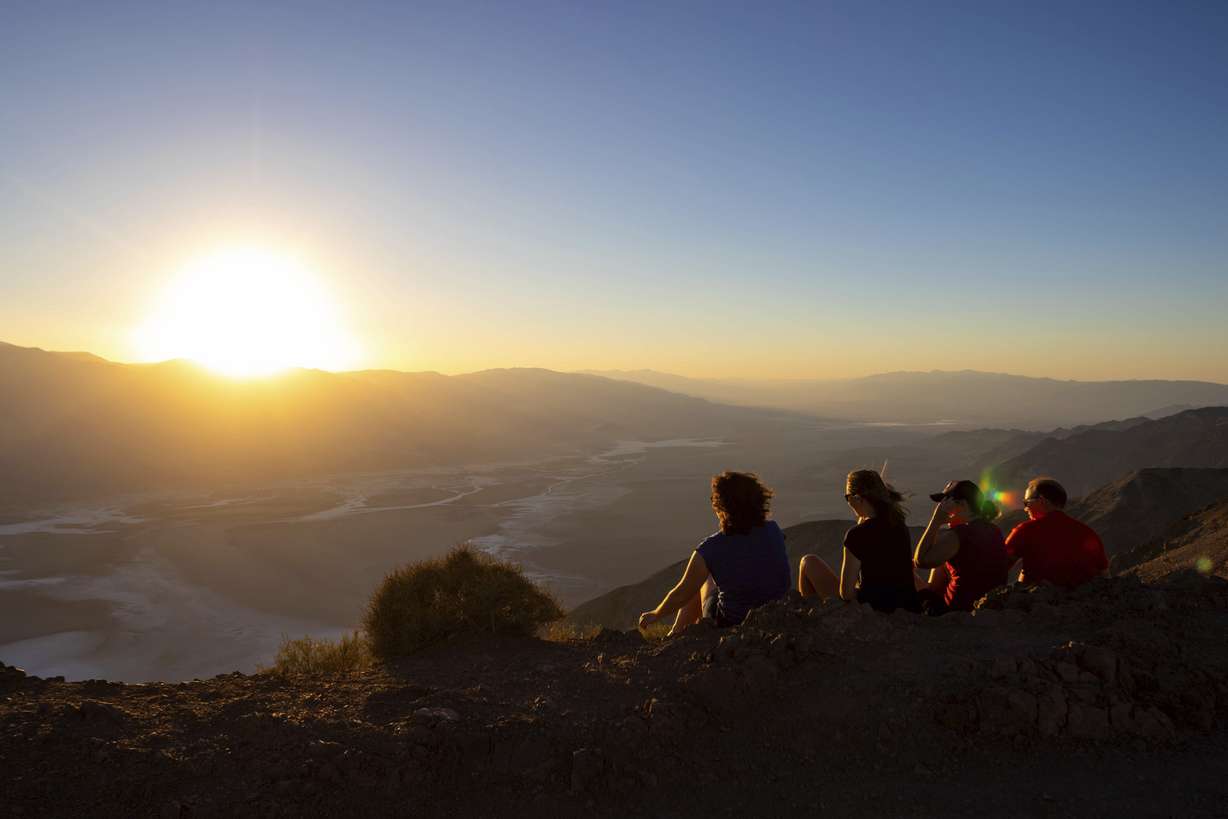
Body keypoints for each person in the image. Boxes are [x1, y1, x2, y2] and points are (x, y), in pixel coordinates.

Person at [638, 471, 789, 635]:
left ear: (722, 507)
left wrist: (655, 614)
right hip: (778, 614)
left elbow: (681, 594)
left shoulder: (710, 548)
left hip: (732, 623)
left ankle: (675, 634)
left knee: (702, 581)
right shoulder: (773, 529)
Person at [798, 469, 920, 613]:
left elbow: (846, 593)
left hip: (873, 610)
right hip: (906, 606)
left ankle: (811, 621)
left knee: (808, 562)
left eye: (847, 497)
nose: (848, 502)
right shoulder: (898, 523)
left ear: (858, 498)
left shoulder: (857, 535)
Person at [913, 480, 1009, 614]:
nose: (941, 507)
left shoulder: (960, 535)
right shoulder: (993, 530)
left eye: (945, 502)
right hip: (987, 608)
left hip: (955, 612)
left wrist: (936, 521)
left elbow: (920, 561)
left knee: (900, 568)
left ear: (962, 504)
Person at [1004, 477, 1108, 588]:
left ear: (1042, 500)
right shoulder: (1087, 532)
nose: (1025, 509)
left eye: (1026, 503)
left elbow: (999, 566)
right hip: (1084, 600)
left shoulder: (1026, 531)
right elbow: (1104, 574)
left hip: (1038, 601)